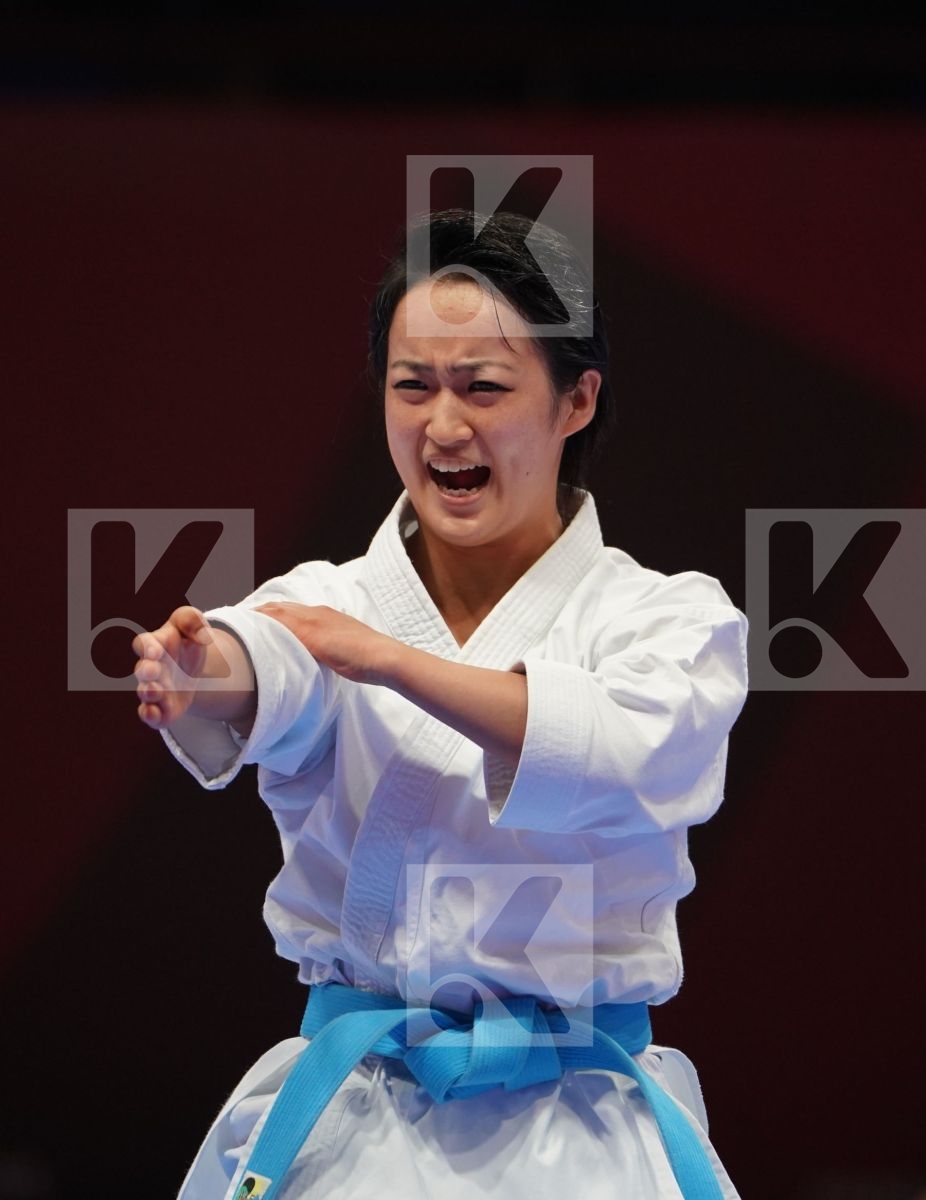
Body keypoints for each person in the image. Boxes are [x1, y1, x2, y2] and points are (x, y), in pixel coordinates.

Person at [132, 209, 750, 1199]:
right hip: (356, 1116)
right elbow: (273, 660)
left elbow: (628, 754)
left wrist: (392, 664)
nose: (444, 425)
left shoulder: (669, 620)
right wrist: (206, 669)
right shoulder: (332, 604)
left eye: (485, 387)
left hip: (583, 1128)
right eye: (412, 386)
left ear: (576, 400)